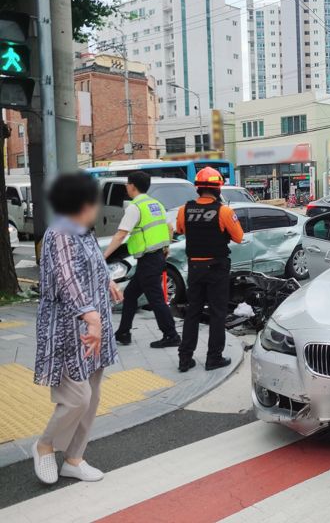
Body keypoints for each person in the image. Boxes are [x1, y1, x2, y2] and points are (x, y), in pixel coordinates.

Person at [33, 173, 122, 484]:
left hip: (94, 330)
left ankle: (74, 458)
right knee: (77, 398)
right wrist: (91, 316)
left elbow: (94, 265)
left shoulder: (82, 232)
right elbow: (68, 280)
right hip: (69, 332)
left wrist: (109, 281)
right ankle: (45, 445)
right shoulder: (59, 234)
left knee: (93, 396)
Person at [175, 167, 244, 372]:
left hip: (195, 268)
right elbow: (239, 237)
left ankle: (184, 359)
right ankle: (213, 358)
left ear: (198, 188)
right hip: (216, 269)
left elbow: (180, 230)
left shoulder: (184, 210)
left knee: (193, 313)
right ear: (218, 188)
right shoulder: (224, 211)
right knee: (217, 313)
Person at [102, 171, 180, 348]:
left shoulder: (135, 207)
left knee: (156, 299)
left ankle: (171, 335)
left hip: (149, 259)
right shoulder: (156, 204)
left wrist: (104, 256)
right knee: (130, 294)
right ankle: (123, 332)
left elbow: (121, 234)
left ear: (132, 186)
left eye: (127, 184)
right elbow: (169, 227)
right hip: (156, 256)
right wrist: (166, 247)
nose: (126, 187)